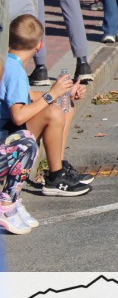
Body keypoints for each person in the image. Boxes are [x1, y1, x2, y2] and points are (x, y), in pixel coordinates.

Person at [1, 14, 92, 198]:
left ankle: (59, 166)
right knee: (54, 112)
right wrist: (52, 95)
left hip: (7, 134)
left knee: (65, 104)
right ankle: (55, 177)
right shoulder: (16, 72)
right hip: (6, 143)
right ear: (39, 46)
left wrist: (64, 92)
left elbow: (28, 96)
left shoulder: (9, 63)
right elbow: (18, 116)